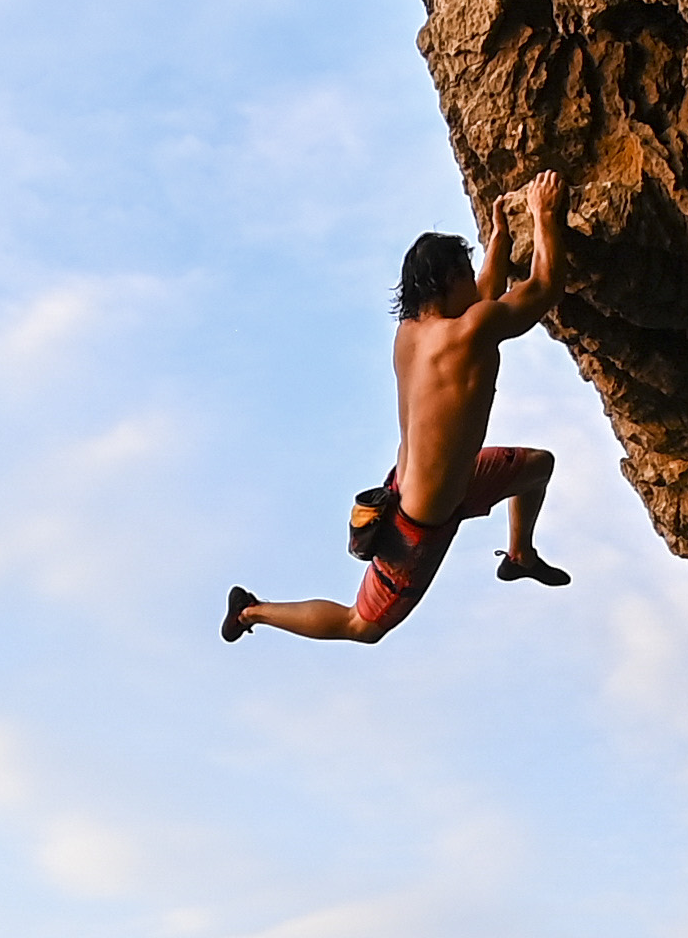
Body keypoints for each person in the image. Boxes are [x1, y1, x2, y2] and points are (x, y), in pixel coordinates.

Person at [226, 167, 574, 645]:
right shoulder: (468, 333)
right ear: (449, 282)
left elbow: (485, 294)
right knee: (362, 626)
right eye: (466, 275)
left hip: (449, 482)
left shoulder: (411, 335)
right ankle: (251, 612)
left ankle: (519, 557)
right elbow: (545, 287)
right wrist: (546, 215)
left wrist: (499, 236)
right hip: (418, 522)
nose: (475, 282)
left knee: (539, 467)